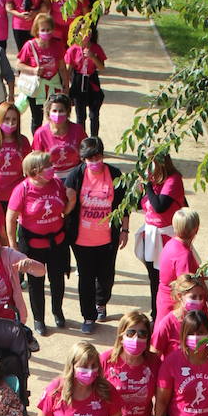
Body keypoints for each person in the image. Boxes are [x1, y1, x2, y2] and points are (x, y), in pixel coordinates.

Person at [63, 137, 129, 334]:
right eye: (88, 159)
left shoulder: (115, 174)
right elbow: (66, 210)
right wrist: (71, 202)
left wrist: (124, 230)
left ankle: (101, 303)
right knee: (86, 278)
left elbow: (124, 207)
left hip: (108, 237)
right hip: (82, 238)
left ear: (103, 155)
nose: (93, 162)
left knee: (106, 276)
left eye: (97, 157)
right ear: (83, 159)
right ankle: (88, 315)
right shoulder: (75, 176)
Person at [6, 150, 69, 334]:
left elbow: (65, 206)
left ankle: (58, 311)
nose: (52, 169)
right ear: (34, 171)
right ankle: (39, 319)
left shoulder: (56, 183)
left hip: (57, 242)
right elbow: (10, 219)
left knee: (58, 279)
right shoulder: (22, 190)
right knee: (36, 283)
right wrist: (13, 247)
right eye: (47, 166)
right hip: (32, 245)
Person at [137, 154, 187, 317]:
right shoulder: (153, 181)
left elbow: (160, 206)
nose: (147, 170)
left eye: (150, 165)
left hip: (167, 238)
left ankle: (172, 313)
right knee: (154, 278)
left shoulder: (173, 180)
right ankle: (156, 313)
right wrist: (140, 191)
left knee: (168, 279)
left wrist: (147, 187)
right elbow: (141, 204)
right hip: (150, 237)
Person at [15, 12, 68, 133]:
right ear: (36, 30)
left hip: (53, 85)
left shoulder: (57, 45)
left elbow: (62, 67)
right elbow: (18, 64)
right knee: (37, 119)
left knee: (54, 117)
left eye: (48, 29)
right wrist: (33, 70)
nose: (46, 32)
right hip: (37, 87)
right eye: (42, 29)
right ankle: (37, 145)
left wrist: (66, 86)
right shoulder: (30, 45)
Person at [151, 274, 208, 359]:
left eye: (201, 297)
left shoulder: (204, 319)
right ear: (179, 296)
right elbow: (154, 354)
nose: (198, 301)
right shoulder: (168, 323)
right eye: (193, 297)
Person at [154, 208, 202, 322]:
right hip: (175, 303)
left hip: (163, 298)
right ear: (196, 229)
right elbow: (187, 286)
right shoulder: (184, 255)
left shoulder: (171, 243)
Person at [65, 24, 106, 136]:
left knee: (94, 115)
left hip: (92, 81)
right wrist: (65, 88)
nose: (85, 35)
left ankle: (94, 140)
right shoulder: (73, 49)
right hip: (78, 81)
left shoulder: (96, 48)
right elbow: (68, 71)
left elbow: (102, 67)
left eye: (88, 32)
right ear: (78, 33)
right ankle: (81, 140)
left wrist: (93, 57)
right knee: (80, 116)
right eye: (82, 32)